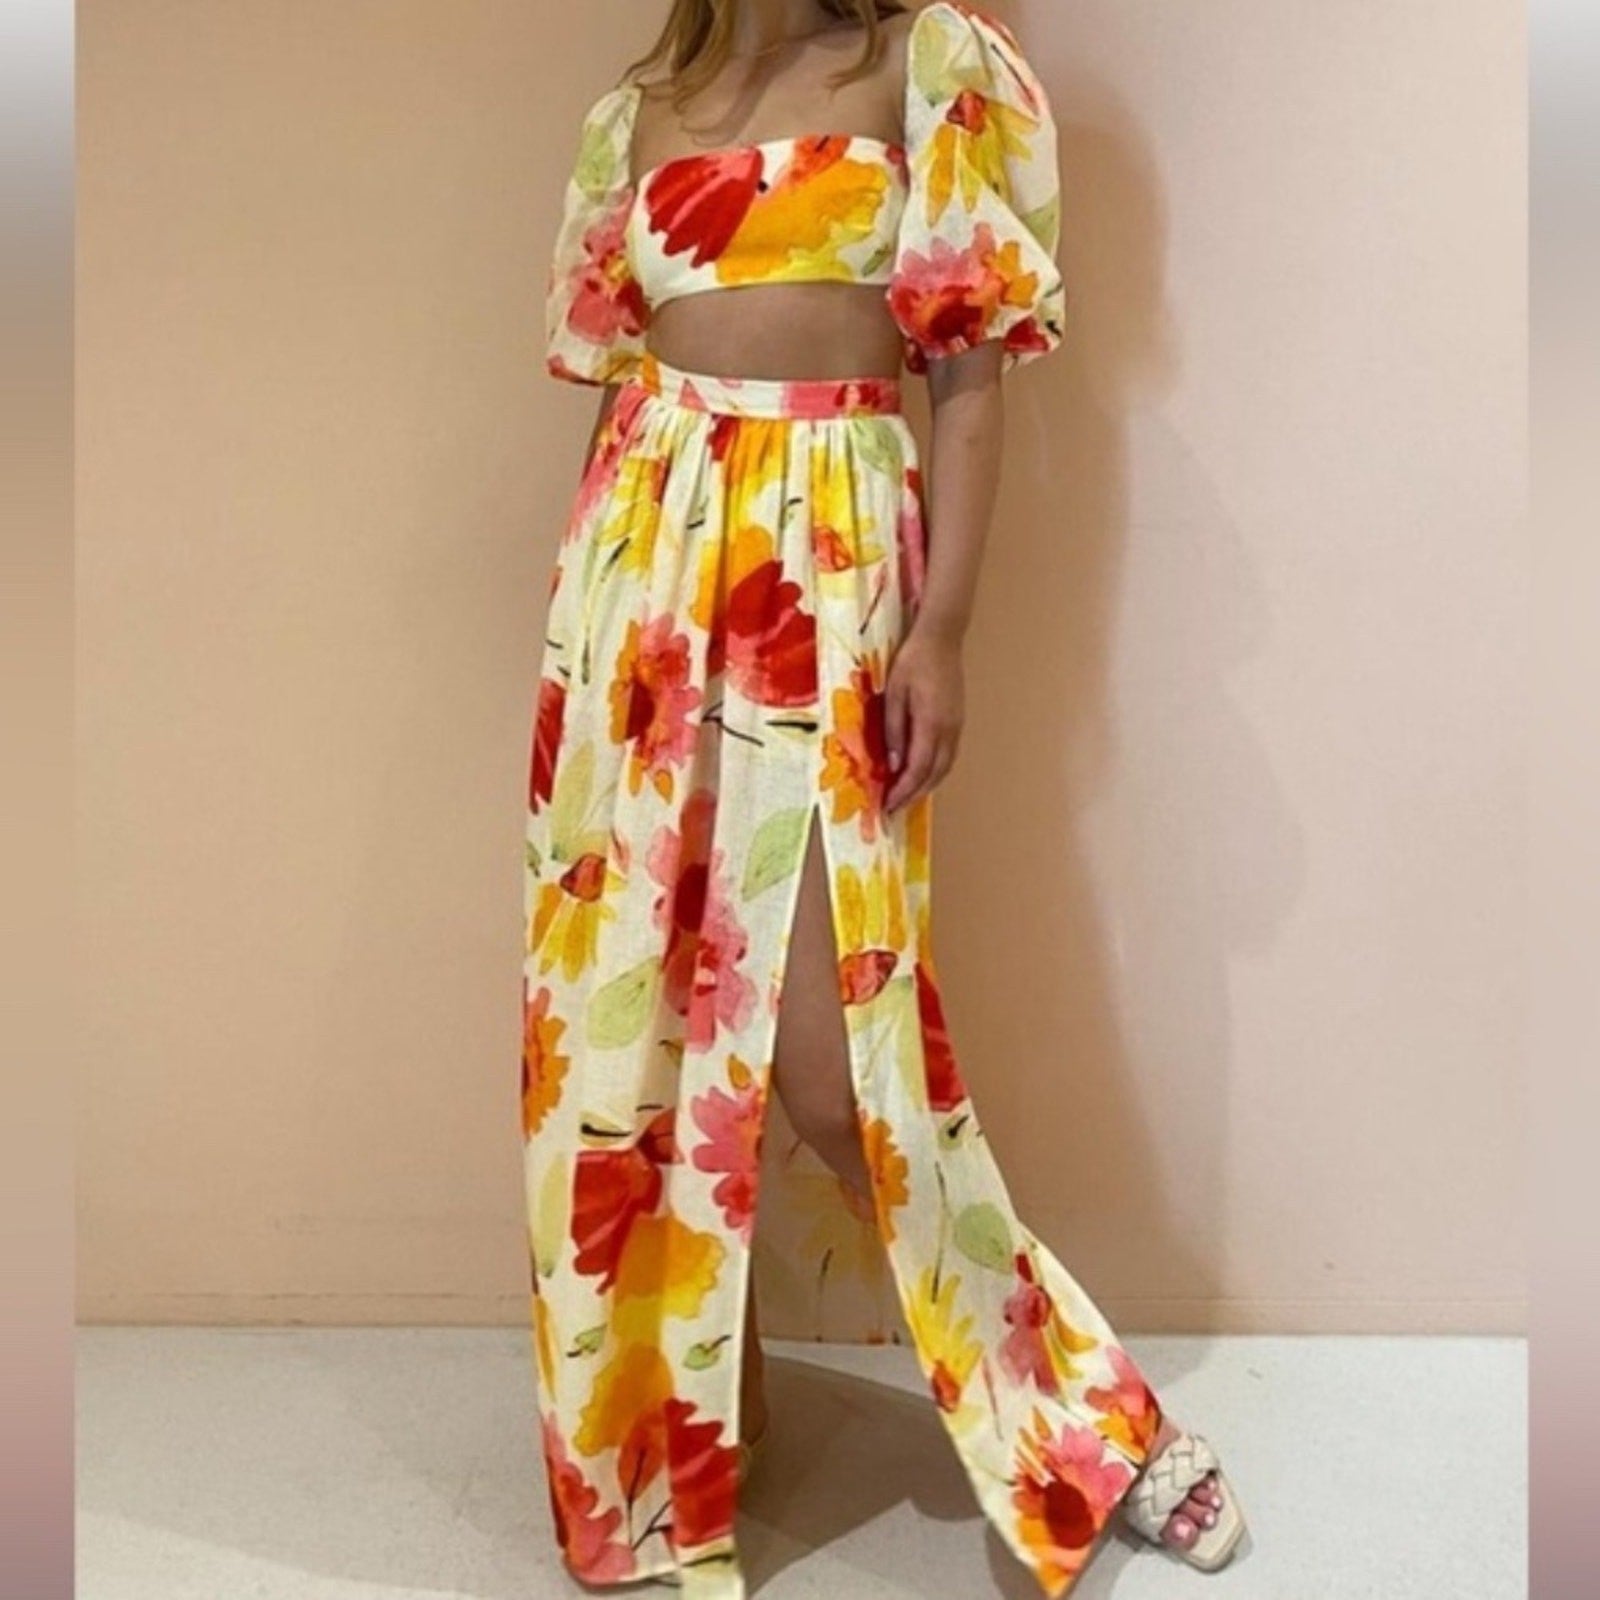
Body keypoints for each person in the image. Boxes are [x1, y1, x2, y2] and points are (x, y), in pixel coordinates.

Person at [521, 3, 1248, 1594]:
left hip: (829, 561)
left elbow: (968, 376)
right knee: (632, 1042)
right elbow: (611, 396)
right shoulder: (633, 112)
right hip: (636, 594)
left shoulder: (933, 64)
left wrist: (944, 631)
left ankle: (1092, 1426)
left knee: (841, 1069)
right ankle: (675, 1443)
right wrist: (581, 646)